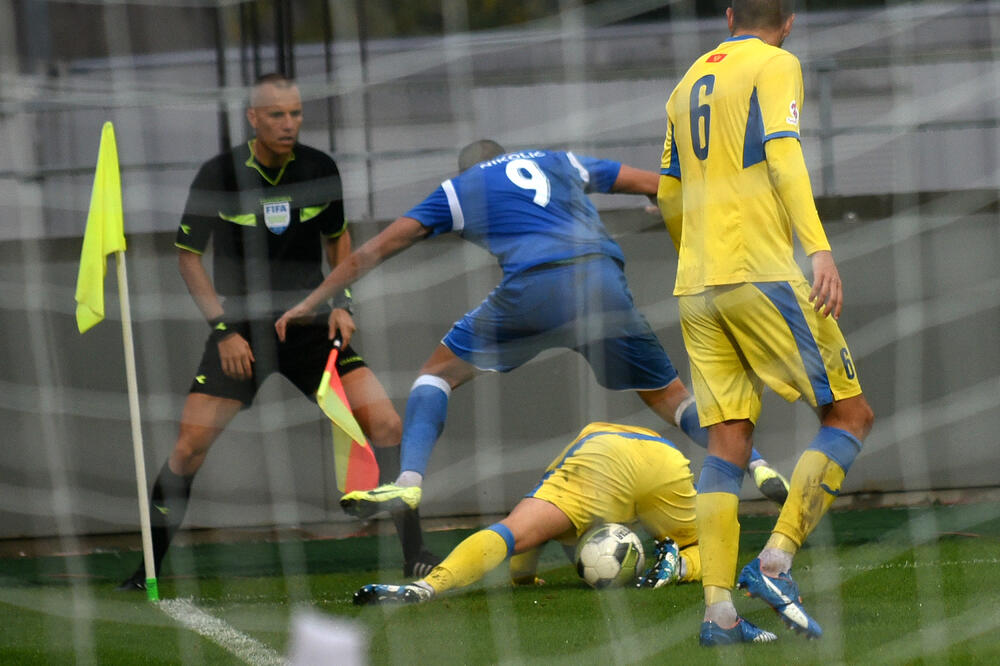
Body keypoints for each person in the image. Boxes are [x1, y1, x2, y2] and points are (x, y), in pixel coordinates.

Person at [274, 140, 787, 518]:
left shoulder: (462, 187)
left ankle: (408, 481)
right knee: (672, 398)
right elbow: (657, 184)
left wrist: (312, 302)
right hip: (602, 281)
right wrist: (669, 202)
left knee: (436, 375)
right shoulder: (557, 160)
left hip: (537, 290)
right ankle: (757, 462)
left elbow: (373, 250)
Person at [118, 73, 436, 590]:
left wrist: (343, 303)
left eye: (296, 114)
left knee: (387, 426)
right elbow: (188, 258)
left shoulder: (319, 168)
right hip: (241, 332)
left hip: (310, 328)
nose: (289, 124)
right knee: (188, 449)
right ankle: (147, 569)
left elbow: (340, 242)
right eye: (276, 115)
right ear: (253, 119)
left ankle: (414, 554)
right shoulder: (218, 175)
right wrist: (223, 330)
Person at [657, 0, 875, 646]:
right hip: (760, 272)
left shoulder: (685, 82)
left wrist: (697, 258)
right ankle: (775, 562)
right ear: (790, 21)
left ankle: (718, 614)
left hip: (694, 286)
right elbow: (784, 156)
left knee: (727, 438)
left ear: (727, 16)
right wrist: (818, 248)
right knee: (850, 414)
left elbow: (669, 194)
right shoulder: (777, 64)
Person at [352, 421, 721, 608]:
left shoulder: (556, 475)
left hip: (602, 458)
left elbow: (521, 543)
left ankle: (425, 588)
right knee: (701, 546)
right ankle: (681, 566)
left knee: (511, 531)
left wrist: (523, 580)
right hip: (666, 458)